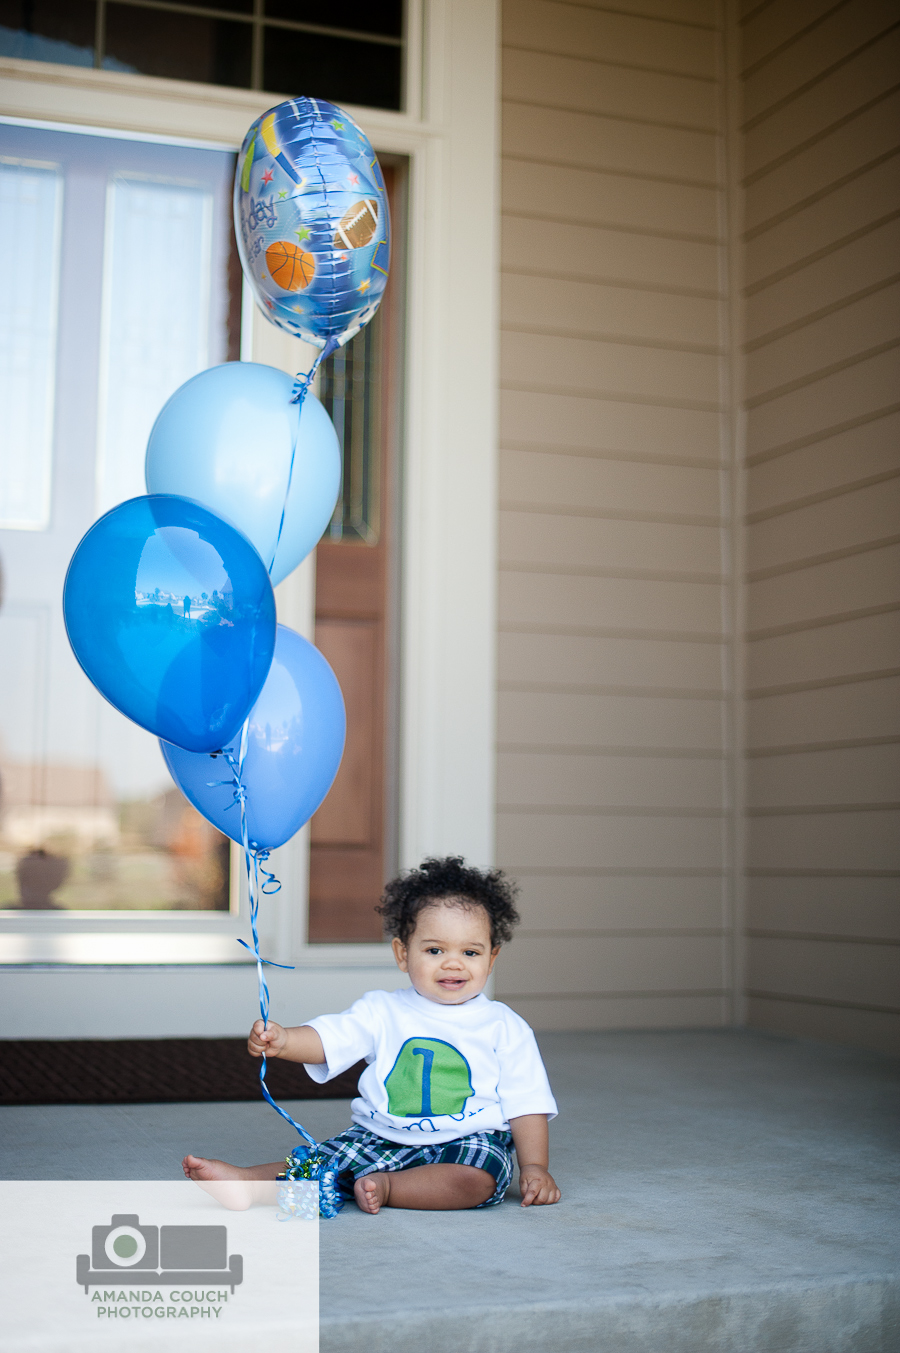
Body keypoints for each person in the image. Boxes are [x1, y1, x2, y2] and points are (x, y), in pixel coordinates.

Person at [183, 857, 561, 1213]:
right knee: (324, 1162)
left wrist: (534, 1166)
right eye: (434, 950)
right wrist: (285, 1041)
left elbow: (526, 1103)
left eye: (471, 953)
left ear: (492, 959)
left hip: (467, 1140)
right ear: (402, 954)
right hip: (381, 1135)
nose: (453, 963)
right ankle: (249, 1183)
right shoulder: (382, 1010)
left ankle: (389, 1187)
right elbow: (331, 1039)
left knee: (479, 1177)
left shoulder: (504, 1025)